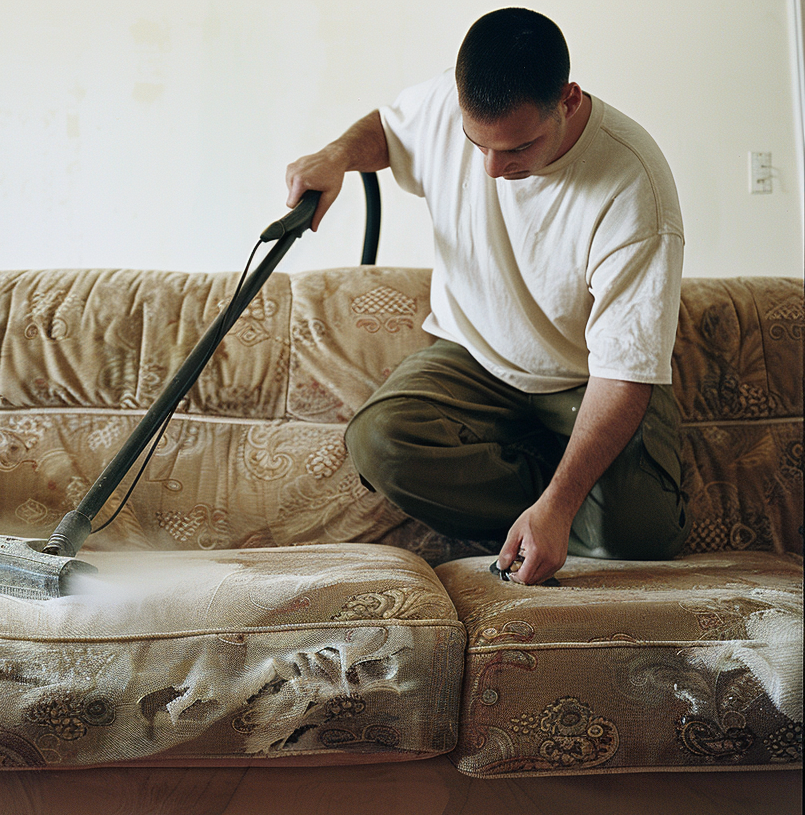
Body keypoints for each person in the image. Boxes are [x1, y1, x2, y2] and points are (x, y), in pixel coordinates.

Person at [285, 7, 690, 585]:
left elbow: (624, 375)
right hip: (472, 356)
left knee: (640, 537)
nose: (494, 169)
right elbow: (387, 129)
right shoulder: (447, 107)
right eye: (479, 145)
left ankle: (558, 498)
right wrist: (337, 157)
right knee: (380, 443)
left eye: (518, 148)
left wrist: (560, 502)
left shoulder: (634, 186)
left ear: (568, 100)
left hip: (585, 378)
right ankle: (554, 495)